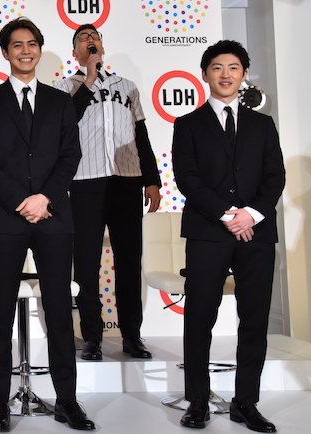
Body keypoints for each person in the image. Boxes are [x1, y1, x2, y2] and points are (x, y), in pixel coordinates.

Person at [0, 17, 95, 431]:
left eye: (32, 44)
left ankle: (67, 402)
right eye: (17, 45)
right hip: (6, 220)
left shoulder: (61, 101)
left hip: (54, 218)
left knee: (59, 313)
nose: (25, 51)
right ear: (5, 52)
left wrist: (45, 198)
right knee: (0, 315)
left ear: (40, 50)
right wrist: (21, 201)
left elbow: (70, 156)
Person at [172, 40, 285, 432]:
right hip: (208, 231)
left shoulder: (262, 124)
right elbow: (187, 178)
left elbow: (275, 176)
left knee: (253, 319)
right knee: (199, 317)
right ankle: (197, 401)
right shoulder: (187, 124)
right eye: (217, 67)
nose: (225, 74)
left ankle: (246, 403)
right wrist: (226, 215)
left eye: (233, 67)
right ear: (205, 74)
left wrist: (250, 214)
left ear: (244, 74)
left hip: (257, 232)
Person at [53, 24, 161, 361]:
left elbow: (141, 135)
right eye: (83, 39)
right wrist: (88, 79)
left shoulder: (127, 86)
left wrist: (152, 179)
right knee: (86, 263)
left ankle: (132, 335)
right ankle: (92, 337)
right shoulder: (64, 88)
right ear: (75, 53)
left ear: (102, 46)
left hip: (126, 180)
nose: (90, 41)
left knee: (128, 259)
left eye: (95, 37)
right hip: (85, 182)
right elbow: (64, 125)